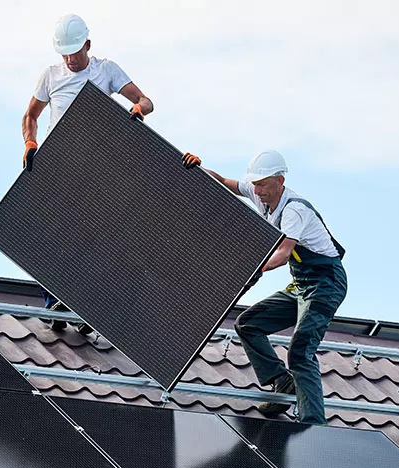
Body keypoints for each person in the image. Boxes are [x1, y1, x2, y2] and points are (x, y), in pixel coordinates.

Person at [182, 150, 347, 423]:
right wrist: (198, 169)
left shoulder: (294, 210)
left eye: (263, 185)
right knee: (248, 323)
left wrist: (252, 269)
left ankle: (313, 424)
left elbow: (282, 254)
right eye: (255, 185)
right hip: (302, 285)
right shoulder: (260, 193)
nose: (257, 191)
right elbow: (224, 182)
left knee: (301, 350)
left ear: (279, 181)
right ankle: (281, 381)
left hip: (325, 284)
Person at [21, 14, 154, 332]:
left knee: (92, 236)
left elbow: (144, 99)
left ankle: (85, 305)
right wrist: (29, 141)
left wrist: (138, 109)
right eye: (64, 53)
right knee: (45, 234)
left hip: (96, 166)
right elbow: (31, 114)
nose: (70, 59)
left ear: (88, 45)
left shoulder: (106, 70)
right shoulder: (50, 76)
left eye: (75, 52)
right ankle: (54, 303)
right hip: (58, 164)